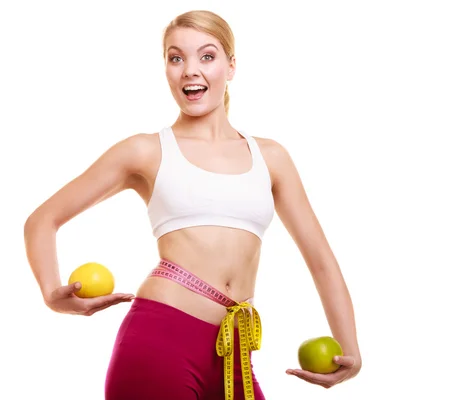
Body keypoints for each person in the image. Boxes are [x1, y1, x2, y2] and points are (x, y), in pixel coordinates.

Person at [23, 9, 361, 400]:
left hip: (236, 356)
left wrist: (349, 349)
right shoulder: (145, 151)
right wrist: (51, 292)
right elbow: (42, 220)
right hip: (159, 342)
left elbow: (320, 258)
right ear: (166, 69)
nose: (189, 70)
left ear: (230, 66)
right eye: (175, 57)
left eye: (207, 56)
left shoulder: (272, 157)